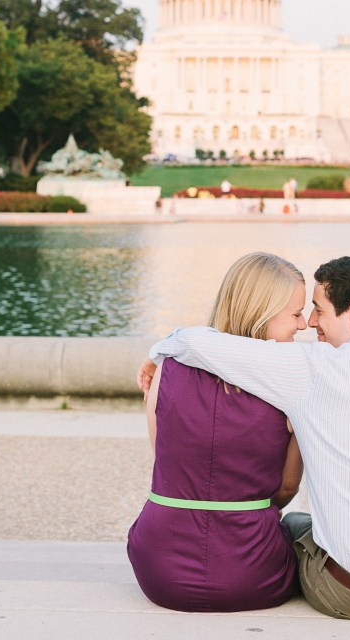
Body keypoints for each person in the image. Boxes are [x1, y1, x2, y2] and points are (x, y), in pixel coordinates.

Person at [139, 255, 350, 620]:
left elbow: (197, 342)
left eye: (318, 310)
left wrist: (160, 350)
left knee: (297, 526)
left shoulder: (310, 369)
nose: (310, 322)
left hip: (346, 594)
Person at [127, 252, 306, 612]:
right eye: (296, 314)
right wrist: (244, 513)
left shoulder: (167, 368)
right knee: (305, 528)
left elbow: (166, 460)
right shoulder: (290, 382)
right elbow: (286, 488)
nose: (303, 325)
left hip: (158, 572)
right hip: (253, 576)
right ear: (263, 312)